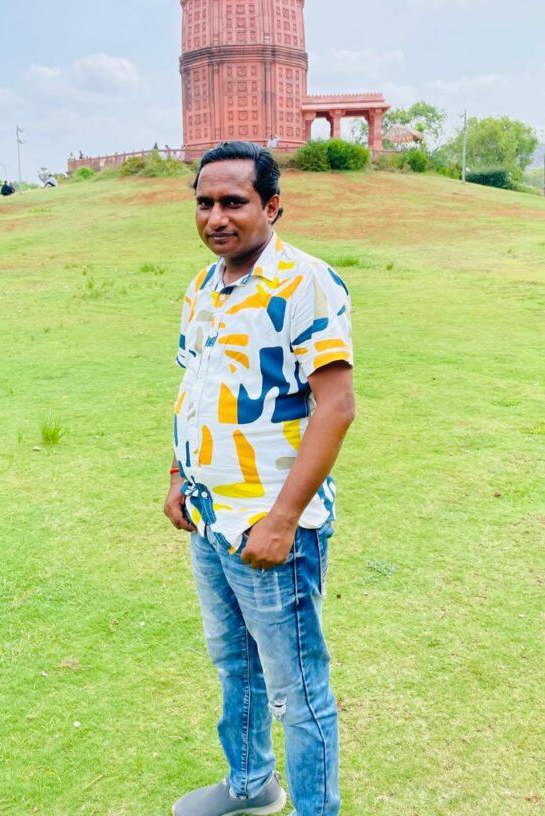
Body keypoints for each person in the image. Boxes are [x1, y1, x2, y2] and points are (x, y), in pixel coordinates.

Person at [165, 141, 355, 816]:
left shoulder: (306, 283)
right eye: (205, 203)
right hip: (211, 517)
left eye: (234, 202)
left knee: (297, 691)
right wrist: (178, 476)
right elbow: (198, 386)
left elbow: (336, 408)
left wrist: (280, 521)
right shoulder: (203, 287)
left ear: (271, 205)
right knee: (233, 664)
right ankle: (251, 787)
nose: (216, 217)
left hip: (275, 526)